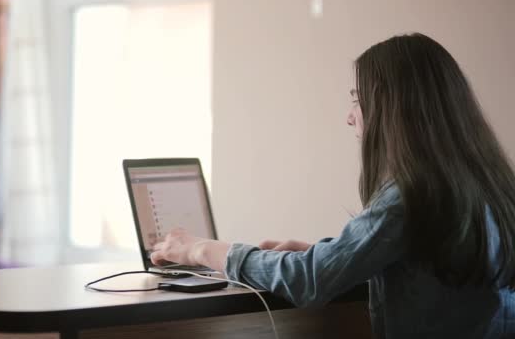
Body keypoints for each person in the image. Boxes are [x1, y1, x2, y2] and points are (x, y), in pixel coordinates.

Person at [150, 33, 515, 338]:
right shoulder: (482, 182)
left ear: (392, 106)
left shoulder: (411, 195)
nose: (350, 116)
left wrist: (203, 250)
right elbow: (426, 275)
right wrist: (335, 254)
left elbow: (310, 280)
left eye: (357, 100)